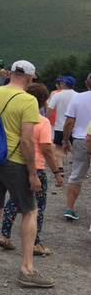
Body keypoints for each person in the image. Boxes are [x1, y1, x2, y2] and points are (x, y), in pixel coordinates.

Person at [0, 60, 54, 288]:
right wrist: (33, 173)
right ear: (28, 77)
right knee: (30, 211)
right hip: (14, 163)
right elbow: (26, 140)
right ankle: (27, 269)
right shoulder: (28, 100)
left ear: (11, 73)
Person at [0, 83, 63, 256]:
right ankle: (35, 243)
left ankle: (5, 235)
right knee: (38, 207)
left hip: (17, 164)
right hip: (37, 168)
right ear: (44, 102)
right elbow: (47, 150)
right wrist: (57, 172)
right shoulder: (43, 122)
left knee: (14, 200)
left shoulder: (18, 118)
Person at [61, 73, 91, 221]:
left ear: (86, 83)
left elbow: (68, 123)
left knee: (77, 174)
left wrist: (65, 141)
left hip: (80, 139)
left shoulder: (78, 98)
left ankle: (70, 208)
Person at [47, 76, 76, 175]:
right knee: (75, 147)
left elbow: (50, 109)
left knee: (58, 147)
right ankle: (78, 166)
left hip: (59, 126)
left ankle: (60, 167)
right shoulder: (77, 95)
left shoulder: (57, 95)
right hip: (74, 127)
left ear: (64, 84)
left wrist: (46, 119)